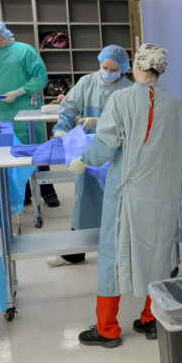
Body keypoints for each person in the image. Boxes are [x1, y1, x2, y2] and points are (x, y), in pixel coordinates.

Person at [70, 43, 182, 348]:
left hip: (127, 194)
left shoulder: (121, 98)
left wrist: (83, 160)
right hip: (162, 195)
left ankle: (107, 328)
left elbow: (105, 145)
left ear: (135, 66)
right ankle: (151, 319)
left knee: (112, 255)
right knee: (158, 252)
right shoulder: (176, 105)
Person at [45, 45, 134, 268]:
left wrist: (100, 123)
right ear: (100, 63)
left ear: (123, 70)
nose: (108, 72)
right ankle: (75, 253)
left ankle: (123, 253)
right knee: (85, 199)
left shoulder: (129, 90)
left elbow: (131, 121)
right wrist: (61, 128)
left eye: (114, 69)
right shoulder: (87, 82)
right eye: (105, 67)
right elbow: (68, 107)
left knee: (119, 202)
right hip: (87, 151)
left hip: (116, 152)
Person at [0, 20, 59, 207]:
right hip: (3, 113)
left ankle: (48, 191)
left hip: (28, 111)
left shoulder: (25, 51)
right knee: (12, 153)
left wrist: (19, 91)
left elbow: (40, 77)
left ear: (1, 32)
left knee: (37, 150)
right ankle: (24, 193)